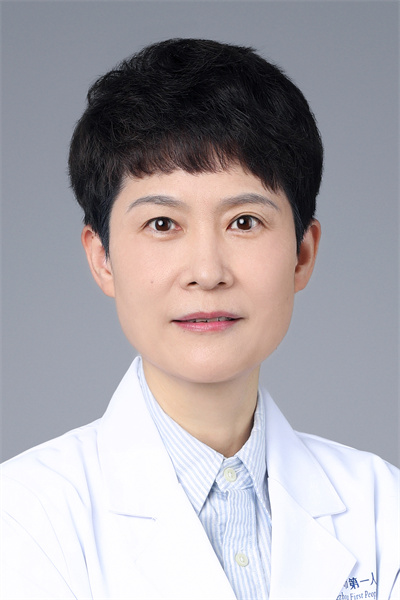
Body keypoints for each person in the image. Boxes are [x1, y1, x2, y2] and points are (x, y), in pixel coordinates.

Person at [1, 38, 398, 600]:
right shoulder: (23, 518)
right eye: (162, 224)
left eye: (244, 222)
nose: (207, 272)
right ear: (102, 257)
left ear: (302, 255)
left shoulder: (383, 508)